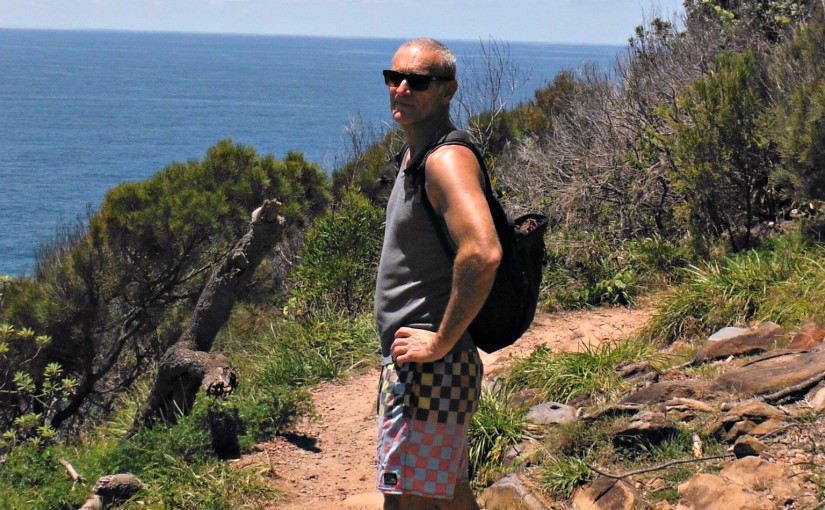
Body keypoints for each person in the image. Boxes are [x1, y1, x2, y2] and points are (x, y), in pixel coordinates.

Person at [374, 38, 502, 510]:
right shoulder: (417, 155)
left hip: (431, 367)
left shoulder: (446, 160)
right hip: (423, 368)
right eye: (394, 78)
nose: (402, 88)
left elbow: (483, 252)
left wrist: (440, 342)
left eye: (418, 81)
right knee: (441, 495)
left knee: (408, 500)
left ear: (448, 90)